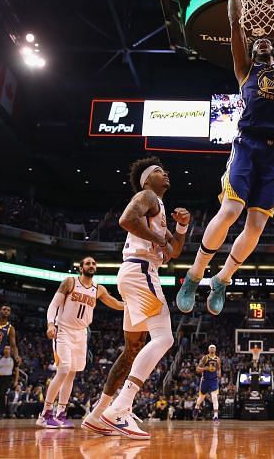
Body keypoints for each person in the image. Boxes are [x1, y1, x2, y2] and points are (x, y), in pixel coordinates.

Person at [176, 0, 274, 317]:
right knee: (231, 209)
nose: (261, 42)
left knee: (257, 223)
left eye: (267, 41)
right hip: (247, 144)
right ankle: (195, 273)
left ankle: (222, 277)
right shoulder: (245, 70)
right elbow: (235, 26)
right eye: (256, 42)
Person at [83, 157, 190, 439]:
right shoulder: (146, 196)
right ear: (145, 179)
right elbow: (126, 220)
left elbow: (175, 251)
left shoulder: (159, 208)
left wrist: (181, 227)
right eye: (158, 171)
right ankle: (120, 408)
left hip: (133, 273)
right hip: (141, 270)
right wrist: (158, 241)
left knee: (132, 349)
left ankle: (97, 415)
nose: (165, 173)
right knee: (165, 338)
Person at [38, 256, 124, 429]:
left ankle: (61, 413)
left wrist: (131, 305)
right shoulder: (70, 282)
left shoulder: (98, 289)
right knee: (63, 370)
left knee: (71, 373)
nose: (91, 266)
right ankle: (45, 413)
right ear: (80, 267)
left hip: (81, 334)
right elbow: (53, 305)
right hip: (63, 330)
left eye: (93, 263)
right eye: (87, 263)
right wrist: (50, 324)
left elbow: (114, 303)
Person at [193, 344, 221, 422]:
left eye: (213, 348)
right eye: (211, 348)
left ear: (215, 350)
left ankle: (215, 416)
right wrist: (206, 368)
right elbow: (197, 369)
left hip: (214, 380)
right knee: (201, 397)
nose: (212, 349)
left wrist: (219, 373)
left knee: (214, 397)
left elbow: (219, 369)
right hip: (205, 379)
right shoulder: (205, 358)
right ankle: (196, 407)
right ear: (209, 350)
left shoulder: (218, 359)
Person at [0, 346, 16, 418]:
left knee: (2, 394)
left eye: (8, 349)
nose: (7, 350)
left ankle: (4, 412)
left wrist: (16, 380)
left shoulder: (13, 359)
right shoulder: (0, 359)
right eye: (5, 349)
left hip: (8, 379)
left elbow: (16, 370)